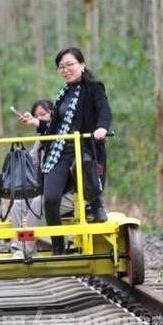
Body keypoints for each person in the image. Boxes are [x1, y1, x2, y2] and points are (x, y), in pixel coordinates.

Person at [19, 47, 112, 255]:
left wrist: (102, 128)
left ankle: (96, 204)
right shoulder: (63, 94)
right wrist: (36, 122)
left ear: (82, 65)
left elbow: (104, 110)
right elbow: (54, 128)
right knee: (50, 199)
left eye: (70, 64)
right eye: (61, 66)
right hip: (59, 153)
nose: (66, 69)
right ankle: (58, 246)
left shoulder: (94, 88)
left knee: (84, 167)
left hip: (84, 149)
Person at [9, 99, 75, 258]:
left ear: (54, 115)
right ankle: (19, 247)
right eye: (37, 116)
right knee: (18, 203)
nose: (41, 119)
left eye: (44, 114)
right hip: (47, 193)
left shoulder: (66, 138)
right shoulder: (41, 142)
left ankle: (27, 250)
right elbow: (31, 164)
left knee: (39, 203)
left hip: (70, 194)